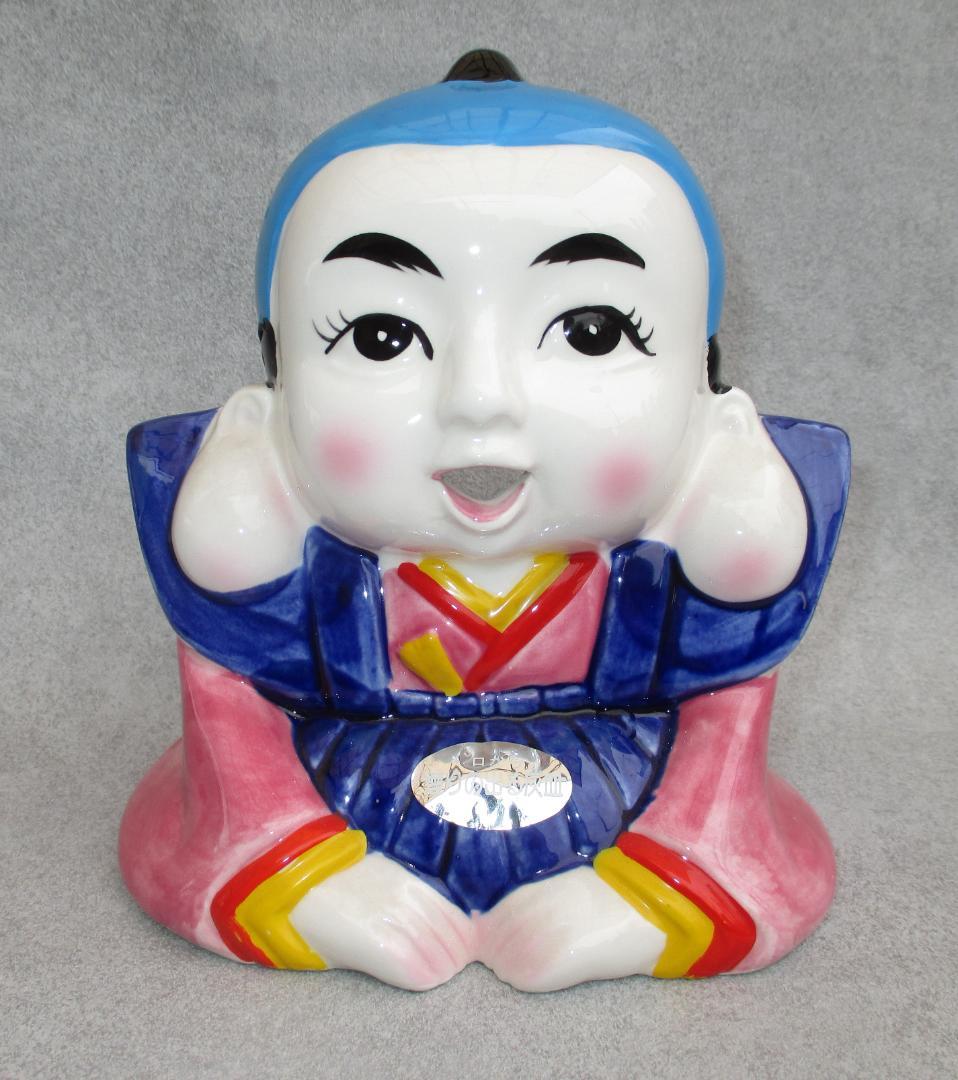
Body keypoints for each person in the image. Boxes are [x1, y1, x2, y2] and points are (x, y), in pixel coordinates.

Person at [121, 51, 849, 991]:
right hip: (335, 797)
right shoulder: (285, 576)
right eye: (382, 337)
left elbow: (725, 776)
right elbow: (229, 755)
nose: (479, 400)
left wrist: (654, 897)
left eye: (591, 332)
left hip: (629, 805)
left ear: (703, 387)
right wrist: (304, 879)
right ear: (277, 381)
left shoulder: (683, 582)